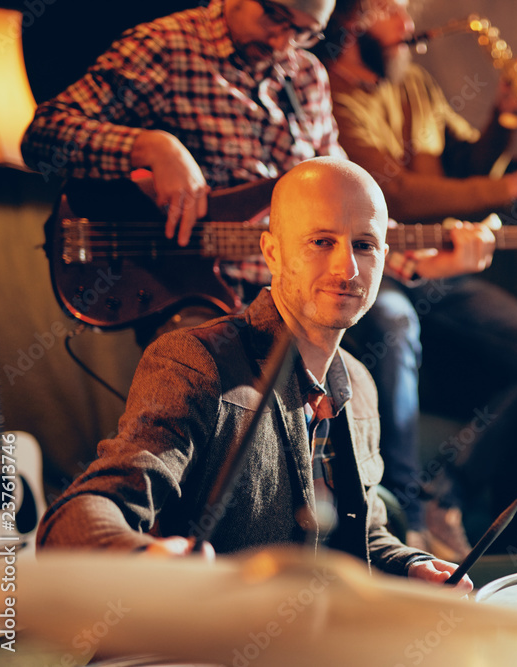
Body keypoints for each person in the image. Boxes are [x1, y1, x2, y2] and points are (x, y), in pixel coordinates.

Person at [36, 158, 473, 591]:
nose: (347, 269)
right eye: (322, 241)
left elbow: (366, 537)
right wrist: (138, 557)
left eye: (365, 245)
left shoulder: (358, 384)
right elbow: (81, 514)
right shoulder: (195, 360)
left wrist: (414, 565)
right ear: (272, 252)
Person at [312, 0, 517, 558]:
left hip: (442, 267)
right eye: (392, 11)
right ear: (351, 19)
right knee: (394, 321)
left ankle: (448, 486)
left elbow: (463, 163)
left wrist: (506, 117)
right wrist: (514, 189)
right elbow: (398, 194)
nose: (409, 27)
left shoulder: (413, 83)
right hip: (376, 267)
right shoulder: (330, 97)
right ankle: (404, 519)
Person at [20, 0, 345, 319]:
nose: (282, 42)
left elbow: (341, 189)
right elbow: (44, 134)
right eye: (274, 16)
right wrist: (151, 146)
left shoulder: (307, 75)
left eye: (304, 32)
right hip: (190, 296)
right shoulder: (165, 47)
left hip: (291, 293)